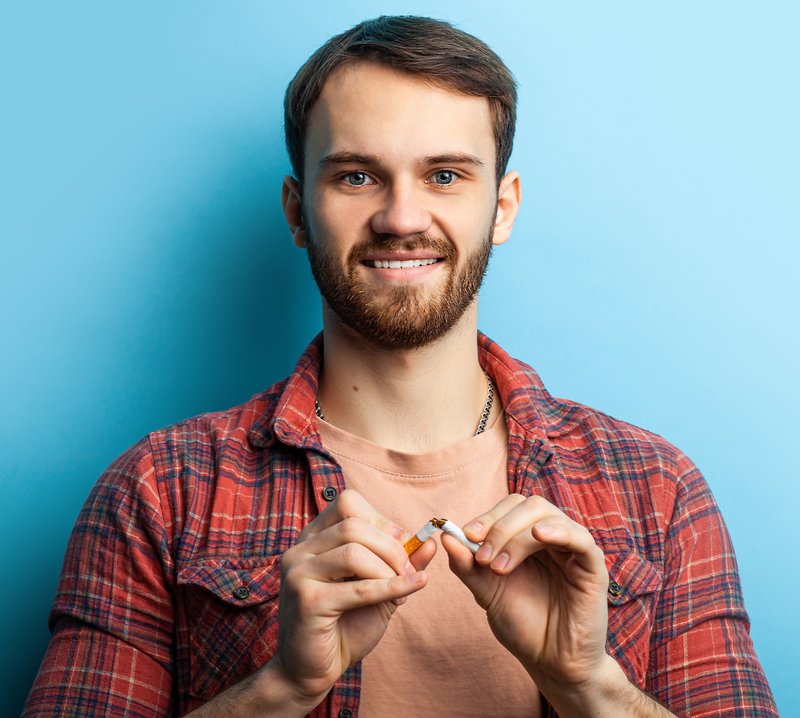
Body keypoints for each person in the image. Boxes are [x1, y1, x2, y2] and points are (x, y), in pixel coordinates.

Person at [24, 15, 777, 718]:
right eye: (356, 176)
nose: (403, 217)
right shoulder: (159, 493)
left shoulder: (658, 491)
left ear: (503, 207)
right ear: (296, 210)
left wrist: (590, 686)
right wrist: (280, 689)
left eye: (446, 175)